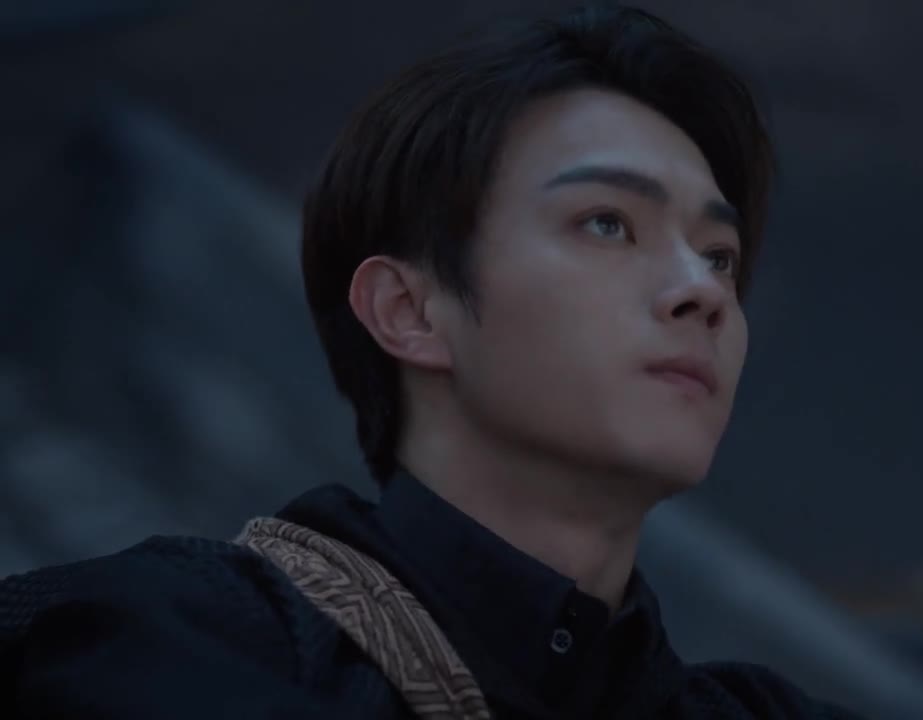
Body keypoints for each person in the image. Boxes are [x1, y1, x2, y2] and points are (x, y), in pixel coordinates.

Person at [1, 5, 862, 718]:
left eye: (718, 255)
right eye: (607, 223)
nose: (703, 291)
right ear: (408, 311)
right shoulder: (160, 643)